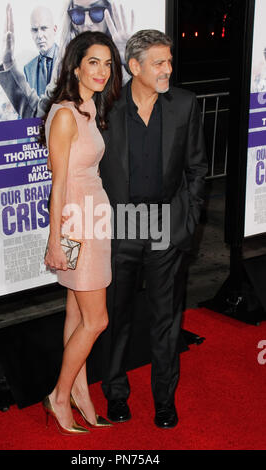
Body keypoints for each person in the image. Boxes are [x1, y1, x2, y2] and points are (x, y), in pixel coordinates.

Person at [99, 30, 208, 428]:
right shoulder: (105, 106)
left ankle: (164, 399)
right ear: (135, 68)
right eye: (159, 63)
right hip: (121, 226)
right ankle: (115, 393)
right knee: (115, 317)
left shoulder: (184, 104)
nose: (168, 70)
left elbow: (197, 168)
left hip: (166, 226)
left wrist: (189, 220)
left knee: (166, 321)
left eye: (169, 61)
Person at [41, 31, 122, 434]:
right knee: (97, 320)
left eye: (108, 64)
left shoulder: (89, 107)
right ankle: (58, 396)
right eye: (94, 62)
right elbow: (58, 184)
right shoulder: (66, 115)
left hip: (95, 219)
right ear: (75, 66)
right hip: (78, 225)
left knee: (77, 313)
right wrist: (55, 239)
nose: (102, 71)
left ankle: (81, 393)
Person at [0, 0, 133, 118]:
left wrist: (127, 63)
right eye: (78, 14)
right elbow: (41, 115)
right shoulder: (65, 63)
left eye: (96, 12)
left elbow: (141, 113)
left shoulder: (128, 62)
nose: (87, 22)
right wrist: (8, 65)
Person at [24, 6, 59, 97]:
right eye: (35, 30)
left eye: (44, 28)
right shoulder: (28, 69)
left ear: (54, 30)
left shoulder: (69, 60)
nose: (39, 35)